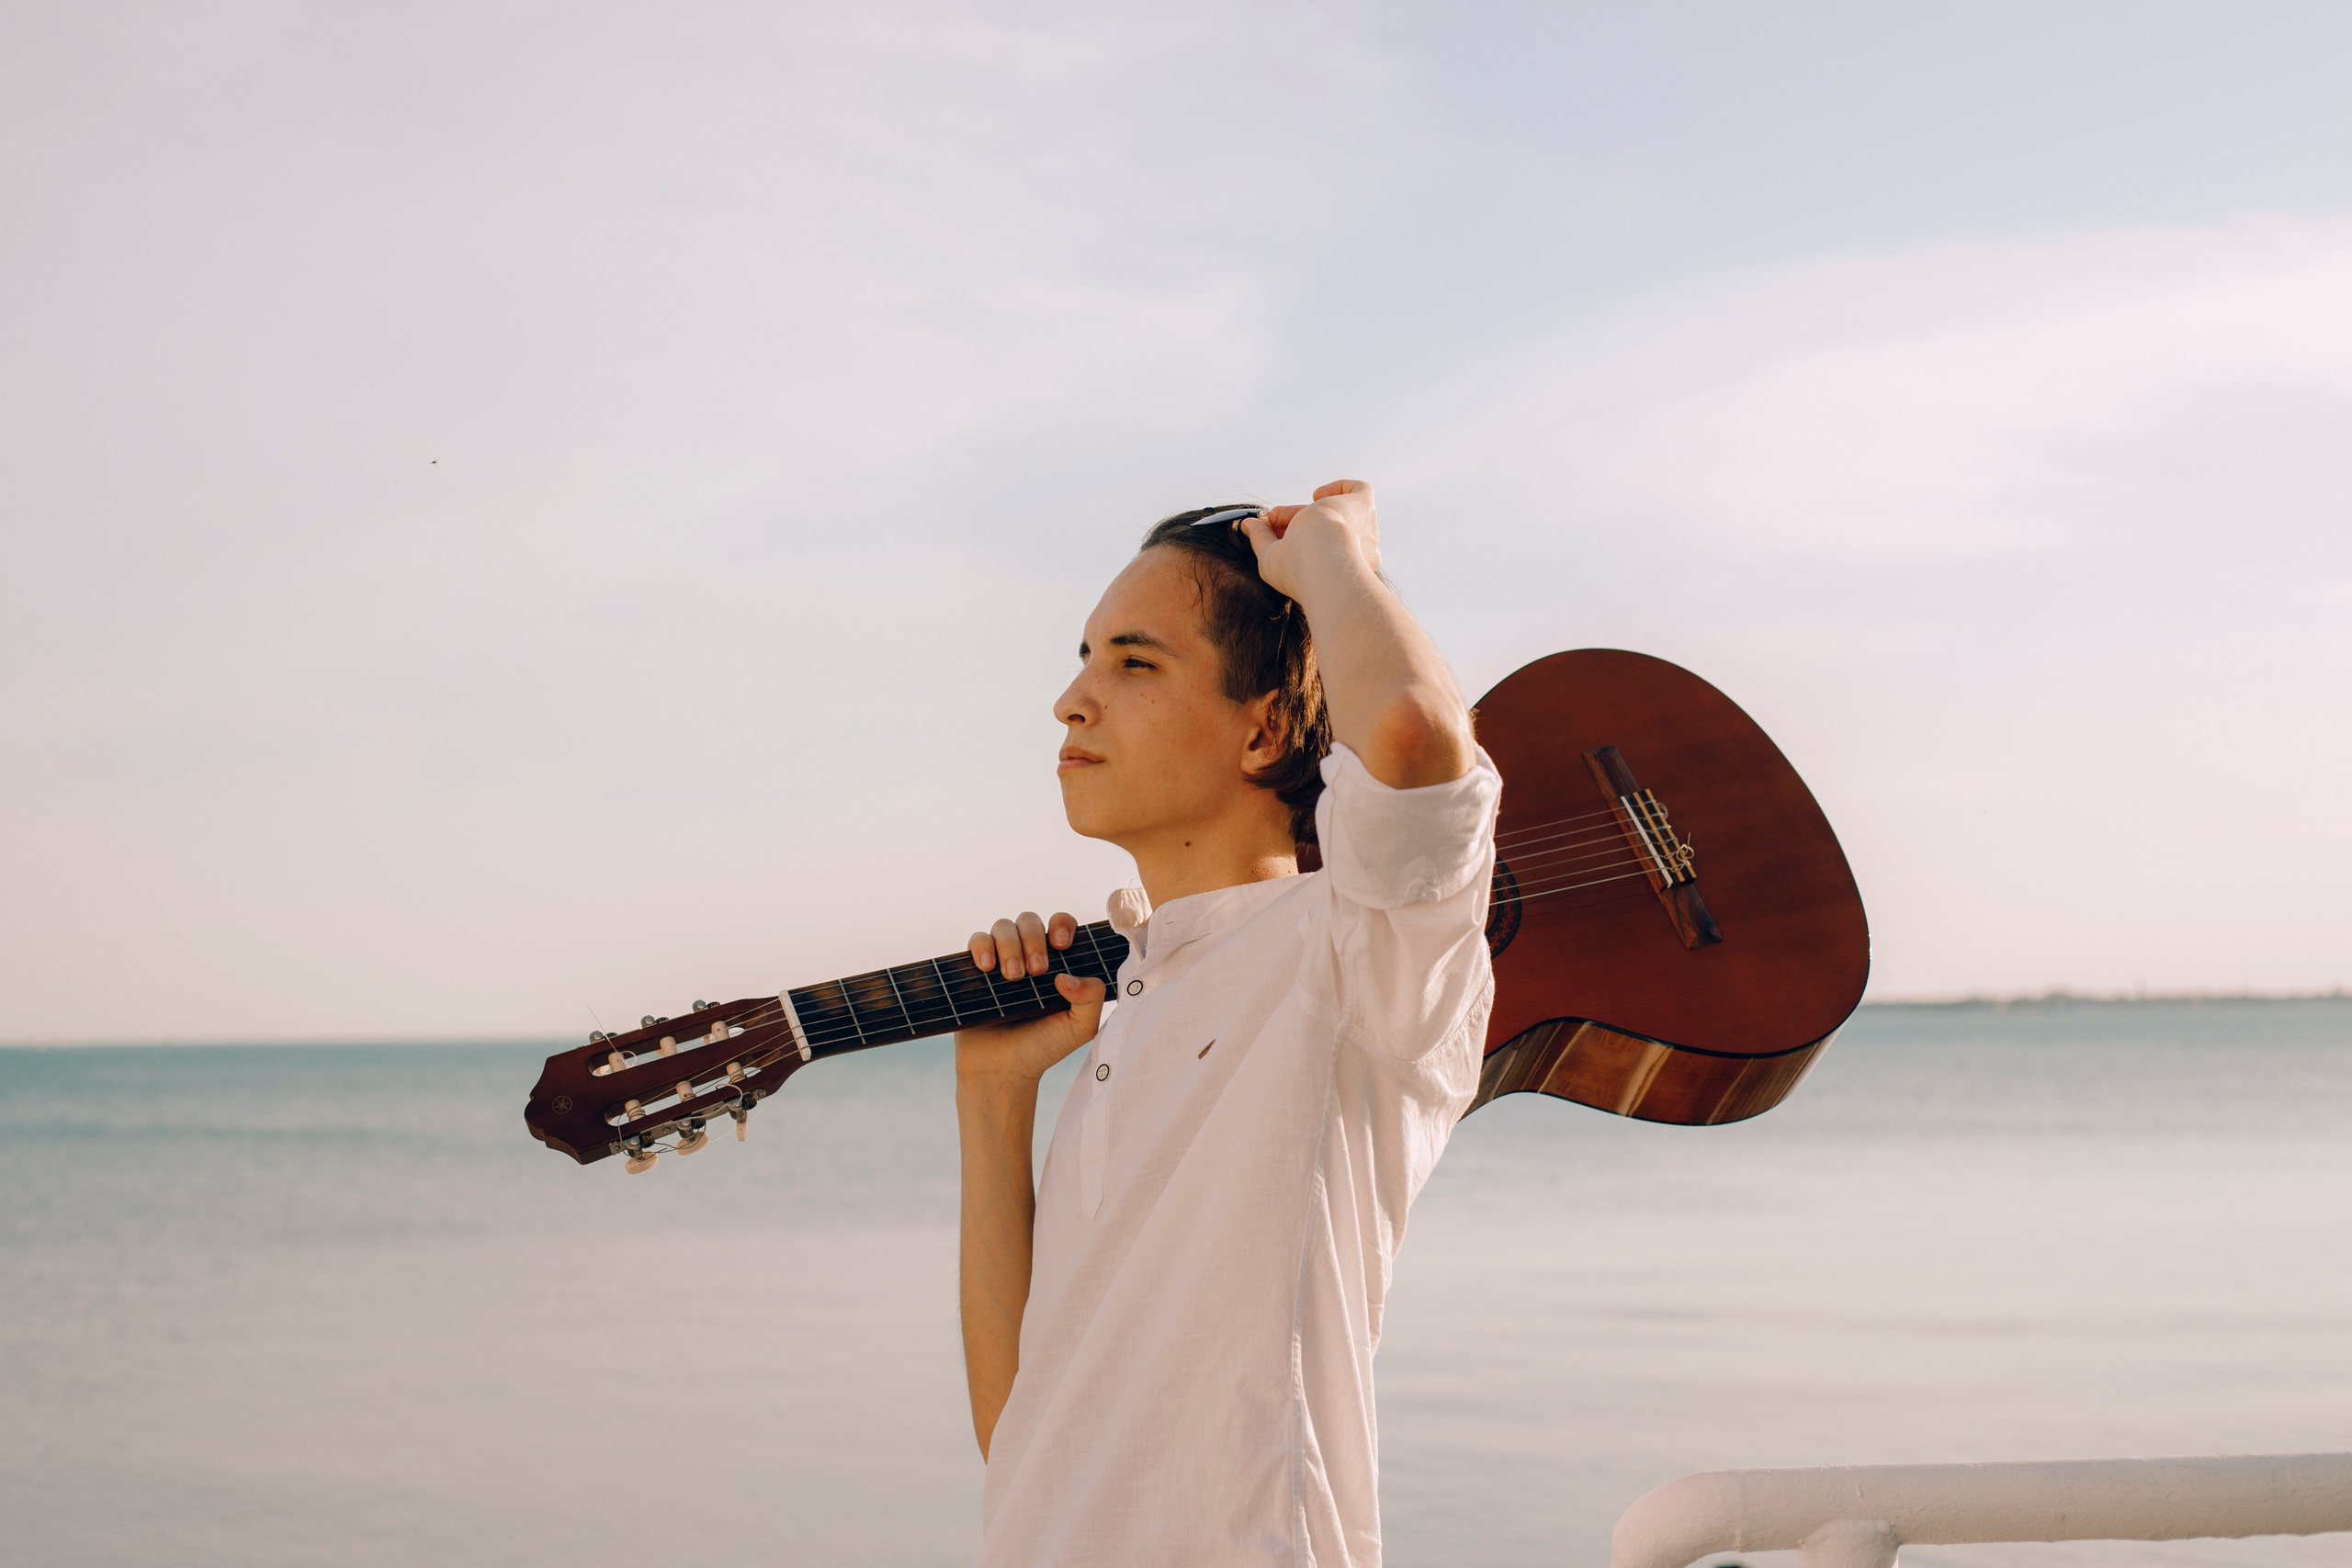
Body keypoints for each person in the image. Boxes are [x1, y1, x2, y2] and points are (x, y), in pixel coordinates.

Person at [955, 479, 1500, 1566]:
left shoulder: (1350, 952)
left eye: (1134, 662)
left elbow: (1409, 732)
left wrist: (1336, 555)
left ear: (1268, 729)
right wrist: (994, 1097)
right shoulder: (1136, 1002)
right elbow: (1028, 1438)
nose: (1072, 698)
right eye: (1083, 656)